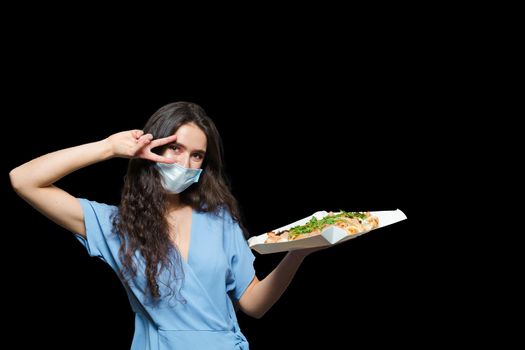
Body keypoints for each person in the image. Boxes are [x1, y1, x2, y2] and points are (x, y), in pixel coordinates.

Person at [9, 101, 320, 350]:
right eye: (176, 148)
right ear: (153, 146)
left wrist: (297, 253)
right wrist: (108, 147)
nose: (185, 164)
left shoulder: (220, 219)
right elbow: (23, 180)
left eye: (197, 155)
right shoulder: (117, 226)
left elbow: (253, 304)